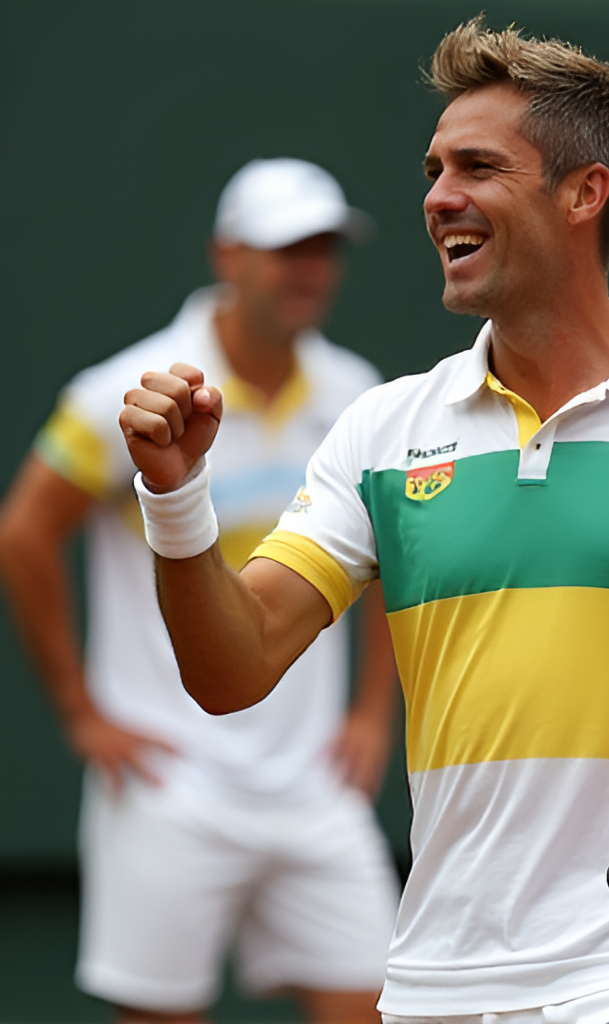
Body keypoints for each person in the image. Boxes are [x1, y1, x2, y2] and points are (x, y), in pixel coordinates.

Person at [117, 21, 609, 1024]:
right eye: (434, 167)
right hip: (436, 983)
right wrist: (177, 498)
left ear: (584, 193)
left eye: (478, 166)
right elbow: (231, 669)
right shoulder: (382, 431)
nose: (438, 196)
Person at [0, 158, 400, 1024]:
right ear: (228, 254)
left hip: (313, 788)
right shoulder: (123, 393)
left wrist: (372, 714)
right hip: (170, 785)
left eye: (324, 248)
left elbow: (387, 569)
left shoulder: (359, 398)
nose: (308, 270)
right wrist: (80, 710)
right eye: (285, 247)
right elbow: (22, 532)